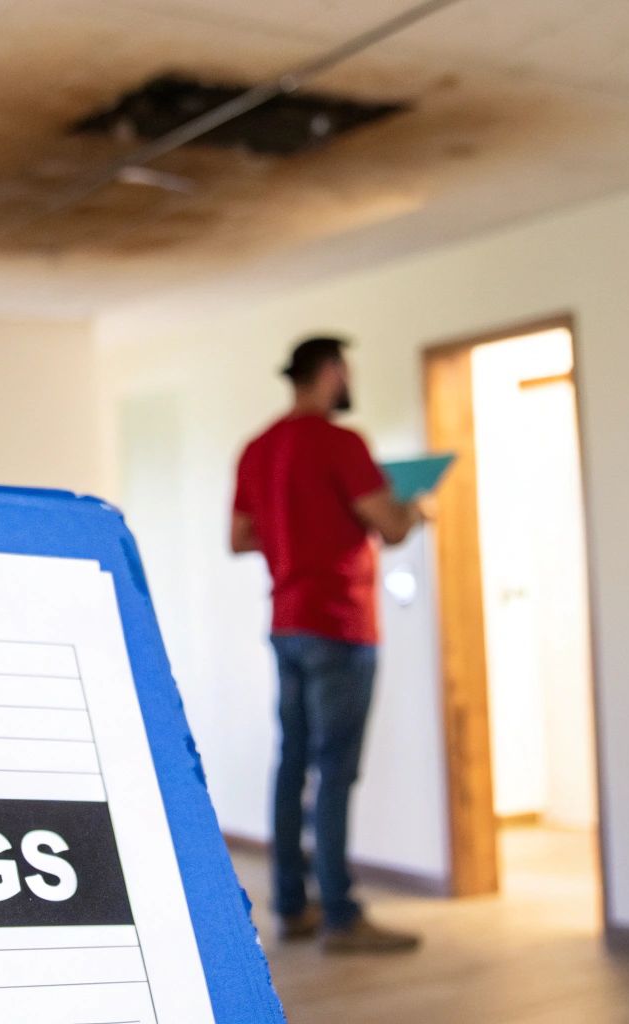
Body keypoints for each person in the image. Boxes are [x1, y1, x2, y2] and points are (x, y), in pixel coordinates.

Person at [229, 335, 424, 954]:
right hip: (339, 625)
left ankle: (292, 907)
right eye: (347, 370)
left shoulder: (257, 449)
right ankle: (341, 914)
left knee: (292, 763)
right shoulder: (342, 444)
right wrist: (414, 506)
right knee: (335, 771)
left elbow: (240, 537)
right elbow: (389, 526)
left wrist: (293, 537)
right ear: (332, 372)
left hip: (286, 622)